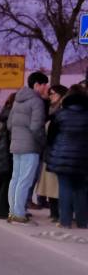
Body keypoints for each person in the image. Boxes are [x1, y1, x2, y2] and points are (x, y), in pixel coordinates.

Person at [6, 72, 50, 224]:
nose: (46, 88)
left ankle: (13, 211)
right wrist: (43, 143)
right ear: (37, 85)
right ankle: (19, 214)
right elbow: (36, 127)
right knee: (25, 180)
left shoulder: (18, 100)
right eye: (44, 85)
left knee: (15, 179)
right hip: (30, 147)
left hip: (16, 145)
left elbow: (9, 124)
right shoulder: (37, 102)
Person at [45, 82, 88, 229]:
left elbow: (50, 136)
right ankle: (82, 222)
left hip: (62, 157)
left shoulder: (60, 114)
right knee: (81, 188)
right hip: (83, 158)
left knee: (65, 188)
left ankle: (65, 221)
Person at [33, 85, 66, 220]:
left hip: (56, 152)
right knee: (50, 184)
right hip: (50, 152)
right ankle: (54, 212)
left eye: (53, 94)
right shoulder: (52, 108)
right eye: (50, 93)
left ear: (61, 95)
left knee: (54, 184)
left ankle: (57, 213)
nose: (51, 96)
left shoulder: (61, 111)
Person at [0, 92, 16, 220]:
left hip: (1, 149)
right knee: (7, 181)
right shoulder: (11, 116)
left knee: (1, 181)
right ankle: (3, 211)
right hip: (7, 150)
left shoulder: (4, 114)